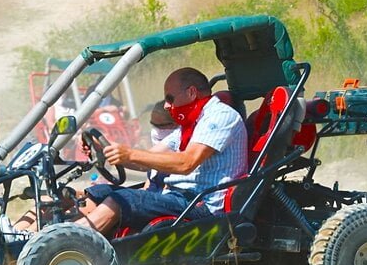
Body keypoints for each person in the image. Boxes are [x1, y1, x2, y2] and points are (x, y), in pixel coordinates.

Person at [74, 67, 248, 234]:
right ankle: (66, 235)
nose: (166, 105)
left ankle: (68, 243)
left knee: (121, 200)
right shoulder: (191, 124)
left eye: (170, 98)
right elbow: (149, 160)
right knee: (97, 194)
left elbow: (187, 163)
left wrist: (130, 153)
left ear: (191, 93)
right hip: (180, 197)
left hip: (202, 204)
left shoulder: (220, 116)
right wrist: (104, 148)